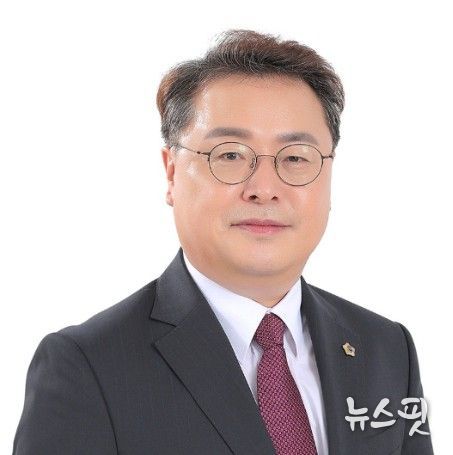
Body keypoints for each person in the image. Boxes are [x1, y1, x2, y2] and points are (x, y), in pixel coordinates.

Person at [13, 29, 434, 455]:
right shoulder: (88, 367)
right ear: (172, 173)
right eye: (230, 155)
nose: (264, 189)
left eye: (295, 158)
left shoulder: (386, 349)